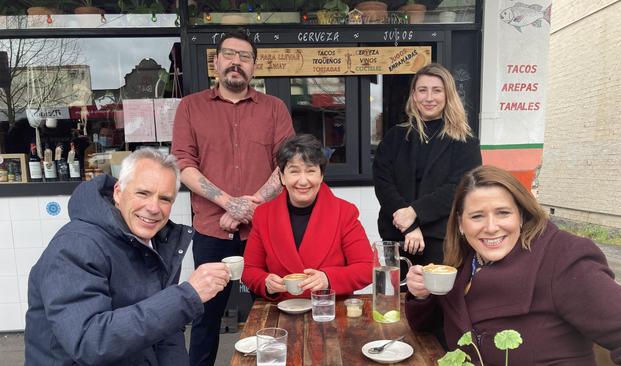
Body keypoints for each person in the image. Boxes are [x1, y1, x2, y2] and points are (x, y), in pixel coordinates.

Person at [405, 165, 621, 365]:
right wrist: (422, 295)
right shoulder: (463, 264)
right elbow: (431, 328)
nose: (491, 227)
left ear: (521, 215)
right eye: (477, 216)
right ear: (460, 223)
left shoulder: (562, 258)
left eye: (503, 213)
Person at [25, 148, 231, 366]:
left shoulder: (157, 241)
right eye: (143, 193)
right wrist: (187, 297)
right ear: (118, 192)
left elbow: (167, 330)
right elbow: (90, 342)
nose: (153, 208)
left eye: (165, 198)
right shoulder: (75, 246)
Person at [171, 30, 294, 365]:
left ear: (254, 66)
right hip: (213, 232)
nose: (236, 63)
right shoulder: (190, 107)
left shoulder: (274, 108)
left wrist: (248, 206)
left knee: (272, 311)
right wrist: (229, 203)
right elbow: (183, 164)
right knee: (205, 316)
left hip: (264, 232)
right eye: (229, 55)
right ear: (216, 62)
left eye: (244, 57)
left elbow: (287, 165)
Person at [373, 62, 482, 266]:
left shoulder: (465, 142)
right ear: (414, 95)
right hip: (397, 237)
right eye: (422, 90)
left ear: (448, 95)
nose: (429, 98)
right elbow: (383, 182)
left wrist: (414, 212)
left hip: (441, 239)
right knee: (397, 297)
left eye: (437, 90)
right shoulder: (394, 137)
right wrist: (408, 226)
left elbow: (458, 188)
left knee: (437, 297)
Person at [242, 134, 373, 301]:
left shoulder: (344, 212)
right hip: (282, 312)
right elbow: (250, 269)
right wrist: (265, 282)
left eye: (311, 171)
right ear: (282, 176)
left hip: (330, 310)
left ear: (321, 175)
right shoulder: (264, 215)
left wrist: (328, 278)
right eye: (294, 171)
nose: (303, 181)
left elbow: (367, 268)